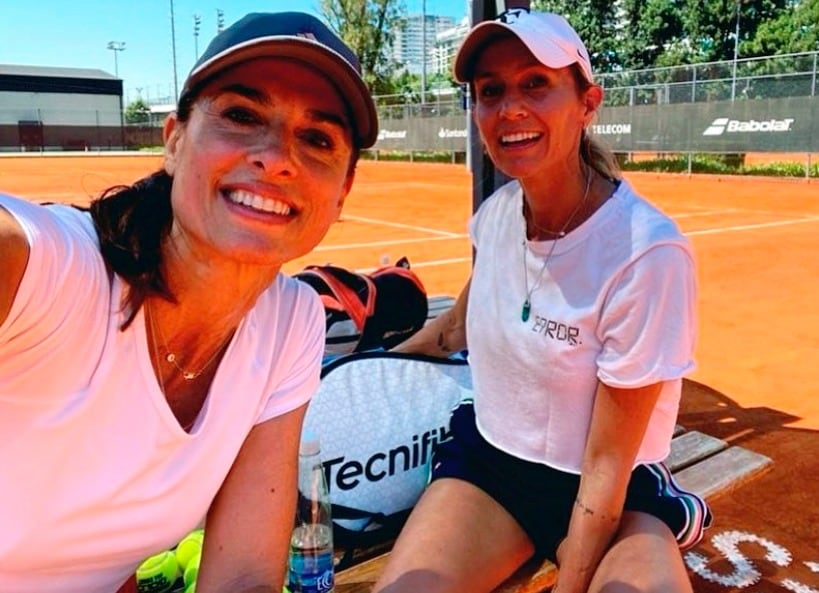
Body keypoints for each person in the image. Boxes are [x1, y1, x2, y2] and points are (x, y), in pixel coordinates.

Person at [0, 12, 376, 593]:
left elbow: (244, 575)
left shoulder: (291, 322)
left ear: (343, 190)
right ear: (174, 141)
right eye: (242, 116)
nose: (277, 157)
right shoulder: (47, 269)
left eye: (317, 139)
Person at [373, 9, 710, 593]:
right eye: (490, 91)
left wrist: (570, 583)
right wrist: (358, 372)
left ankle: (666, 515)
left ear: (587, 103)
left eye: (535, 84)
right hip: (492, 470)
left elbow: (606, 466)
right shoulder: (496, 217)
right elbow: (453, 330)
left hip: (614, 492)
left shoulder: (646, 253)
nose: (510, 108)